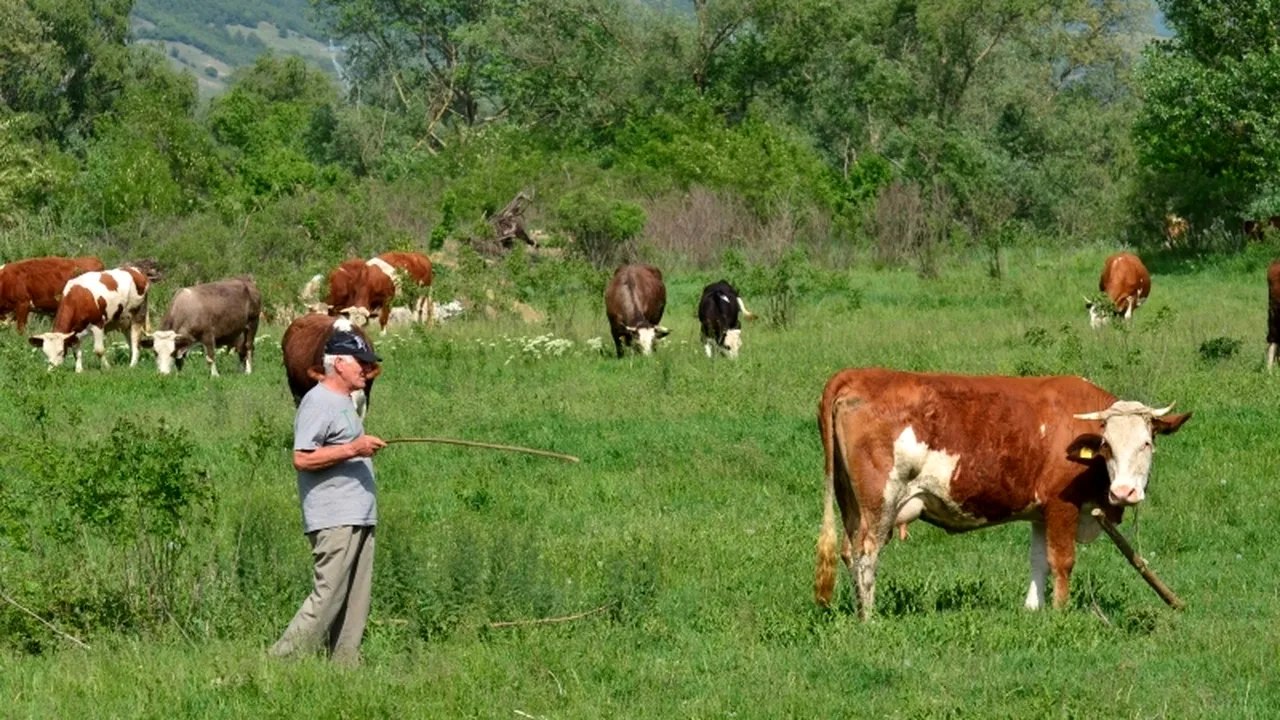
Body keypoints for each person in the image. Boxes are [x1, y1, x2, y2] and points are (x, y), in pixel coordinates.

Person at [270, 329, 387, 666]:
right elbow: (302, 458)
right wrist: (354, 448)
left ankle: (344, 667)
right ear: (339, 363)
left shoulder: (346, 401)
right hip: (335, 517)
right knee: (328, 595)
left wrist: (356, 448)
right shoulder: (318, 401)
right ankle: (278, 663)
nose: (367, 369)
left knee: (355, 599)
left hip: (359, 514)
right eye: (361, 363)